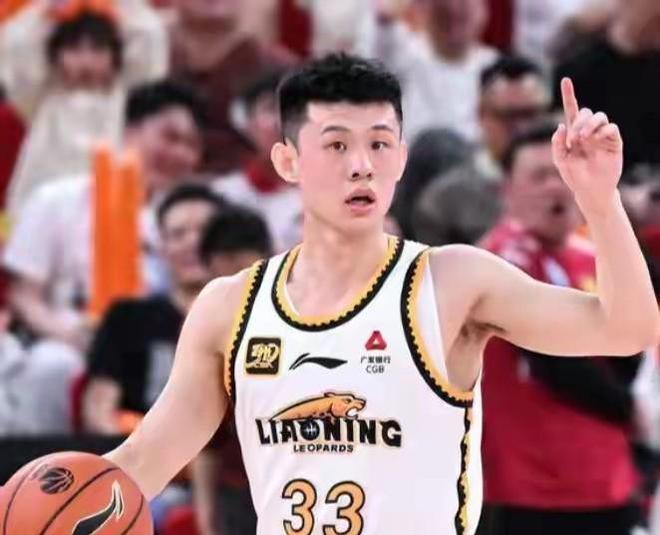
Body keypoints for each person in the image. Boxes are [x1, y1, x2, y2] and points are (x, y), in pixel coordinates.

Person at [105, 54, 658, 535]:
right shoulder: (230, 307)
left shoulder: (453, 281)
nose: (361, 165)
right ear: (287, 161)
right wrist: (54, 499)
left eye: (379, 143)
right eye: (336, 145)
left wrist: (599, 201)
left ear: (401, 158)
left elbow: (627, 328)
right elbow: (144, 461)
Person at [478, 121, 643, 535]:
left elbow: (636, 340)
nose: (554, 187)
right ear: (507, 191)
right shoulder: (498, 259)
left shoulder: (591, 257)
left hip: (608, 480)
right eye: (538, 176)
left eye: (559, 173)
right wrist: (635, 409)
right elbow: (555, 361)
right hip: (530, 491)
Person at [3, 80, 204, 352]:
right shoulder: (55, 199)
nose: (180, 153)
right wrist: (69, 334)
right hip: (63, 342)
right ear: (130, 130)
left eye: (192, 145)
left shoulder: (187, 220)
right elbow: (24, 295)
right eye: (170, 137)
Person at [83, 184, 225, 435]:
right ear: (161, 248)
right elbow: (99, 411)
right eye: (178, 234)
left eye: (205, 232)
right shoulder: (127, 317)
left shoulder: (253, 317)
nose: (193, 242)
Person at [193, 206, 271, 535]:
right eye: (226, 278)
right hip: (239, 491)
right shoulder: (203, 334)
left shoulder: (302, 324)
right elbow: (206, 438)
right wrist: (204, 512)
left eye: (245, 274)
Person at [213, 69, 302, 252]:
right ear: (246, 123)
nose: (281, 121)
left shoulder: (332, 191)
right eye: (270, 108)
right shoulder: (225, 194)